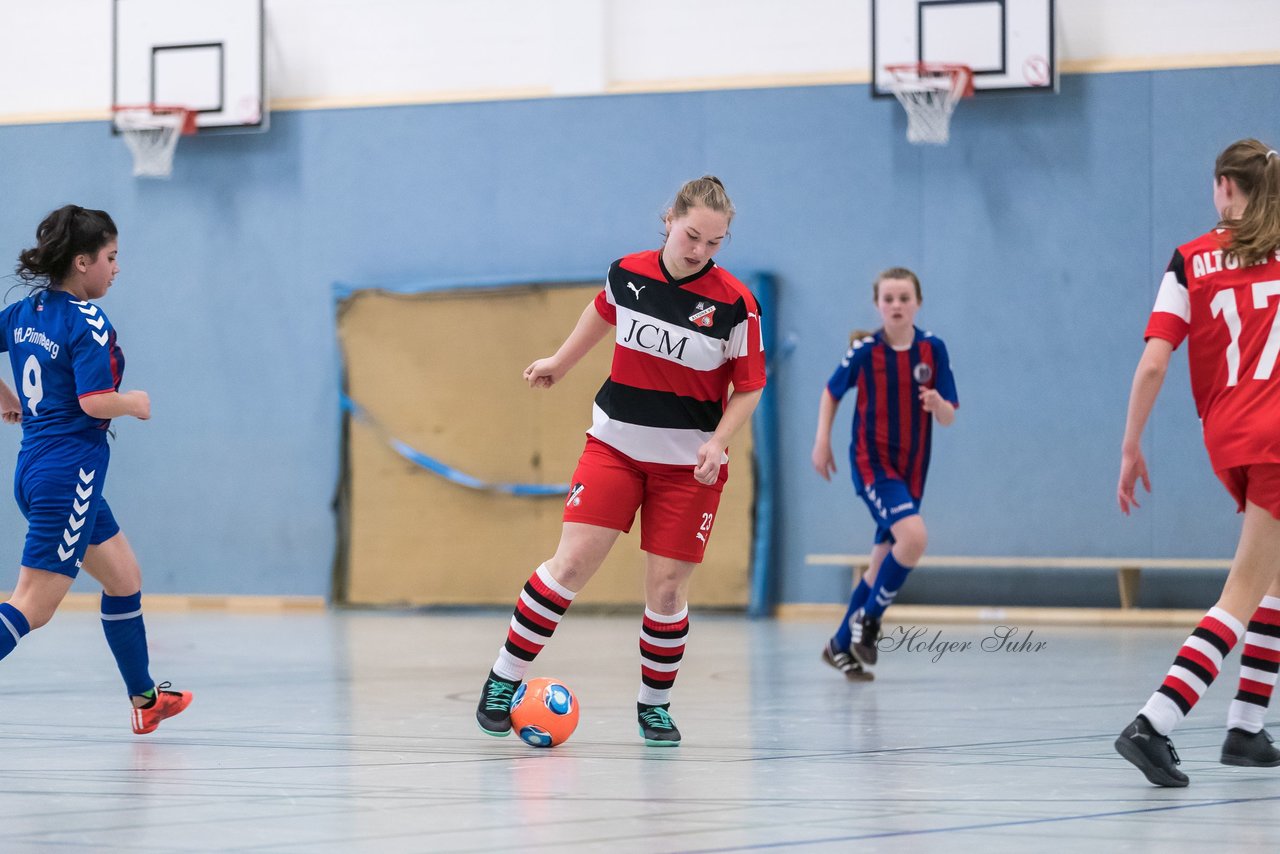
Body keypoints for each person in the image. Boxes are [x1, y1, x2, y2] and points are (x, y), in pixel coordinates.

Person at [473, 176, 765, 746]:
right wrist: (560, 361)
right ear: (670, 218)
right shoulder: (627, 272)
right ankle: (502, 680)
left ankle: (653, 706)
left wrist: (718, 441)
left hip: (689, 467)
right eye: (692, 235)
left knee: (665, 591)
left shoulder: (736, 304)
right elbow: (600, 314)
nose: (700, 250)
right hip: (615, 448)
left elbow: (749, 387)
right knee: (573, 564)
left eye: (714, 242)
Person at [1115, 138, 1280, 787]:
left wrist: (1131, 445)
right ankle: (1153, 723)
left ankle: (1246, 727)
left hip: (1230, 435)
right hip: (1277, 434)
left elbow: (1155, 360)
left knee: (1272, 577)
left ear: (1223, 187)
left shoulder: (1189, 260)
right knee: (1243, 588)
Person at [0, 205, 192, 734]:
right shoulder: (88, 320)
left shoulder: (25, 311)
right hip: (69, 476)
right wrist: (133, 402)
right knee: (31, 607)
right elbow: (93, 401)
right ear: (82, 262)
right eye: (111, 257)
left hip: (39, 469)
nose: (117, 268)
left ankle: (146, 699)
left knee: (123, 577)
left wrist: (6, 398)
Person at [811, 268, 958, 681]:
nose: (896, 305)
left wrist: (936, 405)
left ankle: (839, 644)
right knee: (914, 538)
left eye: (904, 298)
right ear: (878, 304)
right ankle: (870, 622)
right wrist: (821, 440)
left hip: (913, 469)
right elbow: (831, 391)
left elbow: (949, 415)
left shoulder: (933, 349)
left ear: (918, 303)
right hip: (872, 464)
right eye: (889, 298)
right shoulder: (865, 351)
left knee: (880, 565)